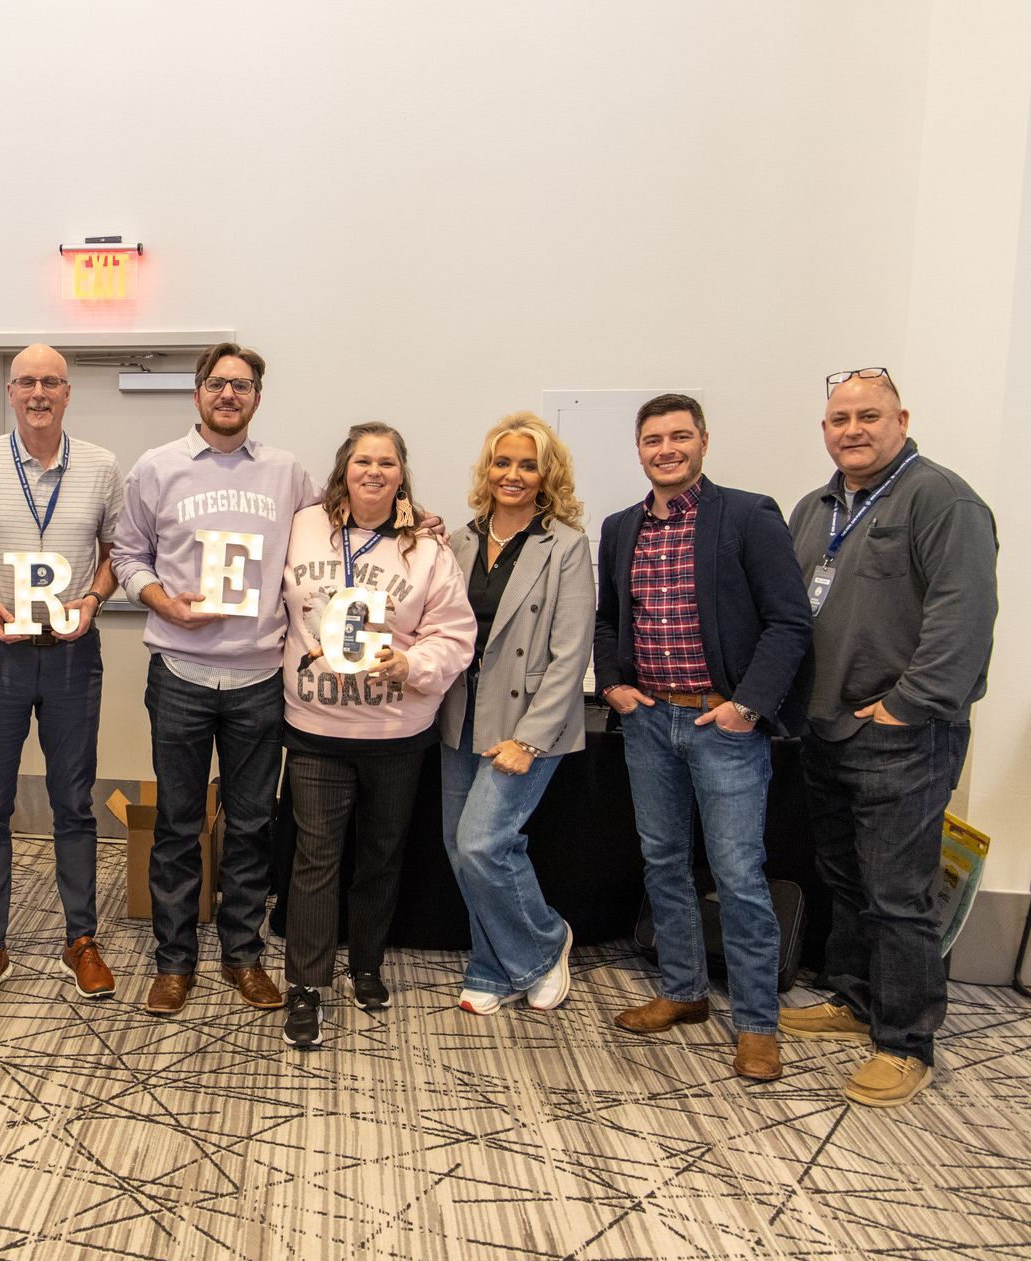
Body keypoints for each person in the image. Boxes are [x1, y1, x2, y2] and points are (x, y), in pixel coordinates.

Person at [781, 368, 997, 1107]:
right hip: (826, 727)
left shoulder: (942, 500)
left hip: (900, 736)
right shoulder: (815, 507)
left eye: (868, 416)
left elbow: (961, 620)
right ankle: (852, 998)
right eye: (839, 418)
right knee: (846, 880)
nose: (852, 429)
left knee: (898, 895)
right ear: (824, 429)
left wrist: (906, 707)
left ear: (901, 419)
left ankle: (905, 1043)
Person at [594, 394, 812, 1082]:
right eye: (653, 439)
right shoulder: (620, 527)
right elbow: (607, 618)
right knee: (662, 862)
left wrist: (749, 706)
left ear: (704, 442)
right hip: (649, 722)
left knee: (740, 875)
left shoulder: (747, 516)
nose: (666, 449)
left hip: (723, 725)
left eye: (679, 437)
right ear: (639, 449)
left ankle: (756, 1024)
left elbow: (790, 623)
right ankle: (683, 992)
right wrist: (612, 682)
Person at [111, 342, 319, 1016]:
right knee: (177, 824)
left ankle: (243, 957)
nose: (229, 394)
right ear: (197, 392)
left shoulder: (289, 474)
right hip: (180, 671)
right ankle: (174, 963)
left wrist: (414, 522)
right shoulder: (157, 468)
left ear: (258, 395)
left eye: (243, 384)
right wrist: (161, 600)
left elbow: (332, 538)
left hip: (260, 676)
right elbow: (126, 552)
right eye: (217, 383)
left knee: (253, 825)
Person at [277, 424, 474, 1047]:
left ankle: (365, 964)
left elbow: (455, 633)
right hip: (315, 727)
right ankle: (306, 986)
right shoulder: (301, 523)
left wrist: (411, 666)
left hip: (396, 729)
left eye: (386, 462)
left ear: (401, 474)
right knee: (315, 860)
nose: (374, 471)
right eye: (363, 460)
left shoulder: (427, 548)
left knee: (381, 857)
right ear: (343, 469)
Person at [0, 345, 123, 1004]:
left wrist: (95, 598)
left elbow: (116, 552)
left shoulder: (102, 466)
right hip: (1, 650)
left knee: (74, 801)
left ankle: (81, 939)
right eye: (27, 382)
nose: (39, 392)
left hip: (74, 651)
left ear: (68, 393)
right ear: (11, 391)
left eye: (52, 382)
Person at [435, 414, 592, 1020]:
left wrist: (529, 739)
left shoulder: (566, 545)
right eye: (503, 462)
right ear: (487, 469)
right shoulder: (460, 539)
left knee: (483, 843)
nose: (514, 474)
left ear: (546, 475)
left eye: (528, 464)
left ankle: (544, 941)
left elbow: (569, 652)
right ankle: (489, 966)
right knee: (459, 847)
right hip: (460, 715)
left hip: (526, 722)